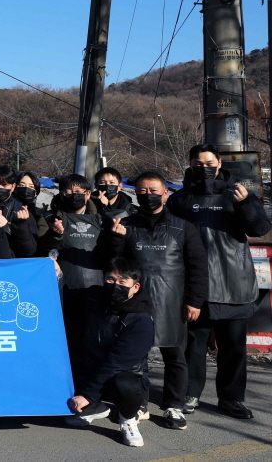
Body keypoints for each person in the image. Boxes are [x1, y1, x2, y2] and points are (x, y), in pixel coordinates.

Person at [97, 171, 208, 429]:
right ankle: (139, 403)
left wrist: (195, 301)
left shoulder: (183, 227)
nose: (149, 195)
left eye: (154, 190)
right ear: (135, 193)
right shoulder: (126, 225)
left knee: (175, 355)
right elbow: (112, 264)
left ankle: (173, 406)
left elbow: (198, 267)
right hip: (136, 301)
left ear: (165, 192)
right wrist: (115, 239)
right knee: (137, 357)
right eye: (143, 191)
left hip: (174, 300)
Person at [167, 144, 271, 420]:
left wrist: (246, 203)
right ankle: (189, 394)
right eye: (198, 163)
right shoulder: (179, 200)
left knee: (234, 348)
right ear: (190, 164)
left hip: (233, 281)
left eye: (209, 162)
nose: (204, 167)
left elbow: (260, 229)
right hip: (194, 285)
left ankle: (232, 398)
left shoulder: (237, 193)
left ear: (219, 162)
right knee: (192, 345)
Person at [65, 258, 154, 449]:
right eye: (111, 280)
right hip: (88, 369)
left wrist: (87, 395)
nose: (115, 286)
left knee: (126, 385)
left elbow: (116, 364)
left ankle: (128, 418)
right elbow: (64, 294)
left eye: (123, 282)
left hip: (120, 376)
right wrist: (54, 273)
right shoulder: (94, 297)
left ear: (136, 287)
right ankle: (96, 407)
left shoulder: (141, 322)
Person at [36, 173, 102, 357]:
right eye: (69, 191)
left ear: (88, 194)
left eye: (79, 191)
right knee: (66, 341)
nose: (75, 195)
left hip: (96, 287)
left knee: (93, 342)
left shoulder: (101, 220)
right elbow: (40, 251)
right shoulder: (48, 219)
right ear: (61, 194)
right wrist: (55, 235)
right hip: (61, 289)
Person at [0, 165, 36, 258]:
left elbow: (29, 251)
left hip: (12, 265)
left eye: (5, 185)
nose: (0, 187)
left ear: (13, 186)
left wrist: (21, 225)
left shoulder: (22, 210)